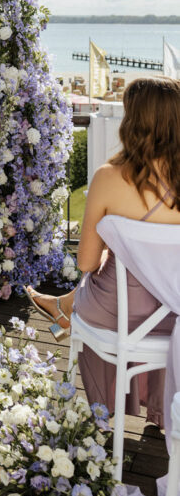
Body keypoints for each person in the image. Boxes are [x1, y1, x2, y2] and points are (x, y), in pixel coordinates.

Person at [25, 76, 180, 425]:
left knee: (97, 285)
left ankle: (106, 411)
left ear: (132, 121)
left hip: (118, 312)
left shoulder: (109, 177)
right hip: (175, 312)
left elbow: (87, 261)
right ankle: (160, 412)